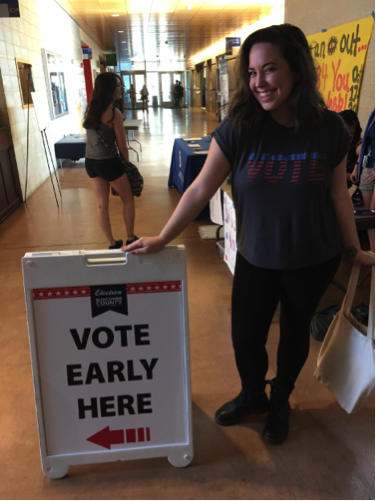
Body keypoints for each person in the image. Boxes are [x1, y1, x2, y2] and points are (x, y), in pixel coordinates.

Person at [123, 24, 374, 444]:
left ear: (296, 69)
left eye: (270, 69)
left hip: (313, 258)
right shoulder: (240, 127)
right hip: (257, 256)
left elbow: (338, 194)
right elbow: (200, 187)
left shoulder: (330, 129)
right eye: (253, 73)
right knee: (246, 336)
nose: (259, 82)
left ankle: (280, 401)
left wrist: (353, 250)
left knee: (295, 335)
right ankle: (253, 394)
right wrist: (163, 237)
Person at [83, 72, 138, 249]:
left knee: (101, 204)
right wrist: (126, 167)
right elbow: (123, 146)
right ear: (108, 89)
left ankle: (112, 243)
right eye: (117, 85)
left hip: (91, 163)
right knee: (128, 199)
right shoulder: (114, 113)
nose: (121, 88)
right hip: (108, 162)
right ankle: (130, 237)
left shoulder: (90, 110)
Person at [350, 109, 375, 251]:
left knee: (374, 214)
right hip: (367, 165)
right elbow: (367, 143)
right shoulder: (373, 113)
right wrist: (357, 166)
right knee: (369, 216)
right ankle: (372, 251)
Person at [339, 109, 362, 187]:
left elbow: (360, 176)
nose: (341, 130)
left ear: (353, 125)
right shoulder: (345, 141)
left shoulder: (360, 146)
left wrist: (338, 175)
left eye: (343, 126)